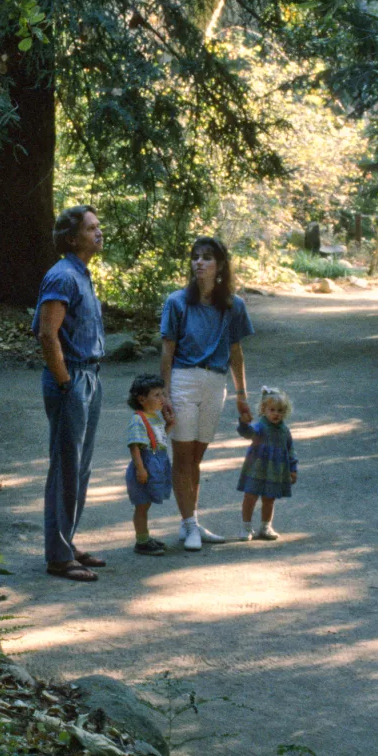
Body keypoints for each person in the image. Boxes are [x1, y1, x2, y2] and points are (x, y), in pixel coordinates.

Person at [160, 236, 253, 551]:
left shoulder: (233, 305)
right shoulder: (177, 302)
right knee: (182, 457)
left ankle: (191, 521)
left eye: (207, 257)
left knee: (196, 458)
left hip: (217, 384)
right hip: (184, 380)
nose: (199, 262)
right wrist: (165, 395)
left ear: (221, 265)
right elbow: (167, 351)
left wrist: (242, 395)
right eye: (195, 257)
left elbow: (236, 353)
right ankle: (190, 525)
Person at [32, 205, 107, 582]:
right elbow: (48, 334)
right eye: (91, 228)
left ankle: (66, 542)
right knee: (65, 468)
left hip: (88, 378)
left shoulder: (81, 274)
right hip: (72, 379)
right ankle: (58, 557)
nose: (99, 233)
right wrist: (65, 382)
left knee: (80, 467)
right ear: (72, 237)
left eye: (98, 227)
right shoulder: (61, 276)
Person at [236, 386, 298, 541]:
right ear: (263, 409)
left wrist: (293, 468)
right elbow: (248, 433)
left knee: (269, 498)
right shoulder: (260, 426)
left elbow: (290, 451)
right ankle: (246, 527)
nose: (276, 414)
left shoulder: (284, 430)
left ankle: (265, 527)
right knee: (250, 496)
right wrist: (243, 424)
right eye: (272, 410)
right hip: (256, 468)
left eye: (280, 410)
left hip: (275, 470)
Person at [125, 374, 173, 556]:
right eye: (157, 395)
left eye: (163, 394)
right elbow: (135, 446)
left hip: (155, 463)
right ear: (142, 399)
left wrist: (169, 425)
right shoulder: (139, 419)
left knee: (146, 504)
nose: (163, 399)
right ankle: (142, 542)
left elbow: (158, 440)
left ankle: (145, 537)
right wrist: (141, 469)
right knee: (142, 504)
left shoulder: (154, 417)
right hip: (144, 466)